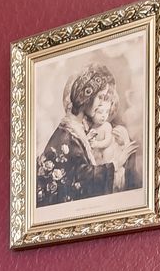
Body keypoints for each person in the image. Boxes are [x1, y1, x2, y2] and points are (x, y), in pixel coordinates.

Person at [35, 63, 143, 207]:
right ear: (87, 97)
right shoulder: (67, 135)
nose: (101, 105)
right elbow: (84, 176)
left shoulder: (77, 130)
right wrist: (116, 163)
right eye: (99, 97)